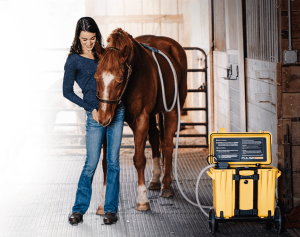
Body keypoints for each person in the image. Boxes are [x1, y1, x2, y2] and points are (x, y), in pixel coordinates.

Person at [63, 16, 125, 225]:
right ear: (78, 37)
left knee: (114, 162)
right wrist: (91, 109)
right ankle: (79, 209)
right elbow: (67, 92)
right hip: (94, 114)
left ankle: (110, 210)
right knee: (91, 163)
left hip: (115, 112)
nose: (89, 43)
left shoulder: (105, 54)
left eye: (92, 38)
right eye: (84, 39)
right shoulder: (73, 60)